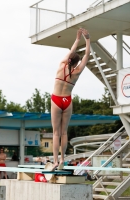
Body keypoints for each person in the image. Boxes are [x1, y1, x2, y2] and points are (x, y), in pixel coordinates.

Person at [51, 28, 90, 170]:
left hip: (56, 100)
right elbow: (87, 54)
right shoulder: (77, 72)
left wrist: (77, 39)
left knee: (56, 133)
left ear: (69, 59)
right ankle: (62, 159)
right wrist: (87, 39)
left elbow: (72, 52)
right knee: (64, 132)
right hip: (67, 101)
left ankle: (55, 161)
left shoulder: (61, 65)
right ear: (76, 62)